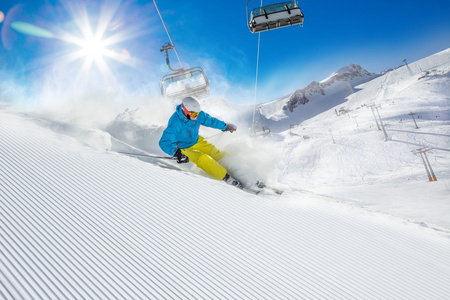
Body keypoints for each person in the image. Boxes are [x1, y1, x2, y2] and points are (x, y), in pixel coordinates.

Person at [159, 96, 242, 188]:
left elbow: (210, 120)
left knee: (215, 152)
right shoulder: (175, 123)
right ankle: (227, 178)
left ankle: (237, 170)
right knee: (203, 158)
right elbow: (163, 142)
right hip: (183, 147)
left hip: (196, 140)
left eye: (198, 114)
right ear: (185, 111)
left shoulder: (197, 114)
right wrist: (176, 153)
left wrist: (224, 126)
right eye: (194, 115)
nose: (197, 116)